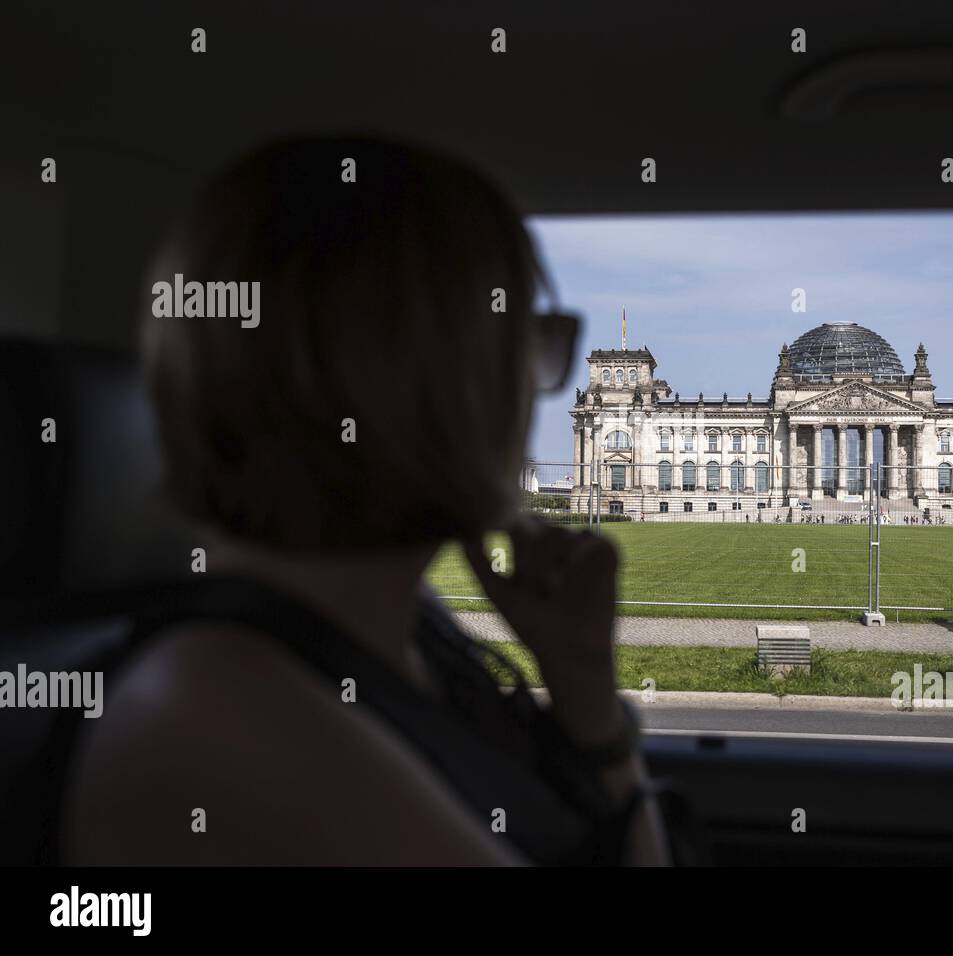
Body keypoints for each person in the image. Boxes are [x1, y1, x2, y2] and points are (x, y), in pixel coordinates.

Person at [63, 137, 671, 865]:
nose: (545, 383)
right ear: (423, 378)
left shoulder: (408, 632)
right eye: (531, 334)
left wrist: (585, 693)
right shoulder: (218, 711)